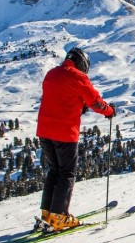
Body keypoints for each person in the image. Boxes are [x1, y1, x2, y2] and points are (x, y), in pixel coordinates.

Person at [36, 46, 116, 231]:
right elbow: (95, 101)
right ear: (82, 63)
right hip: (64, 133)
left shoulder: (51, 74)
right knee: (67, 173)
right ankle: (59, 217)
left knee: (54, 171)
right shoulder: (77, 76)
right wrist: (109, 111)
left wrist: (78, 104)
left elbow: (60, 98)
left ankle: (47, 213)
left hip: (44, 131)